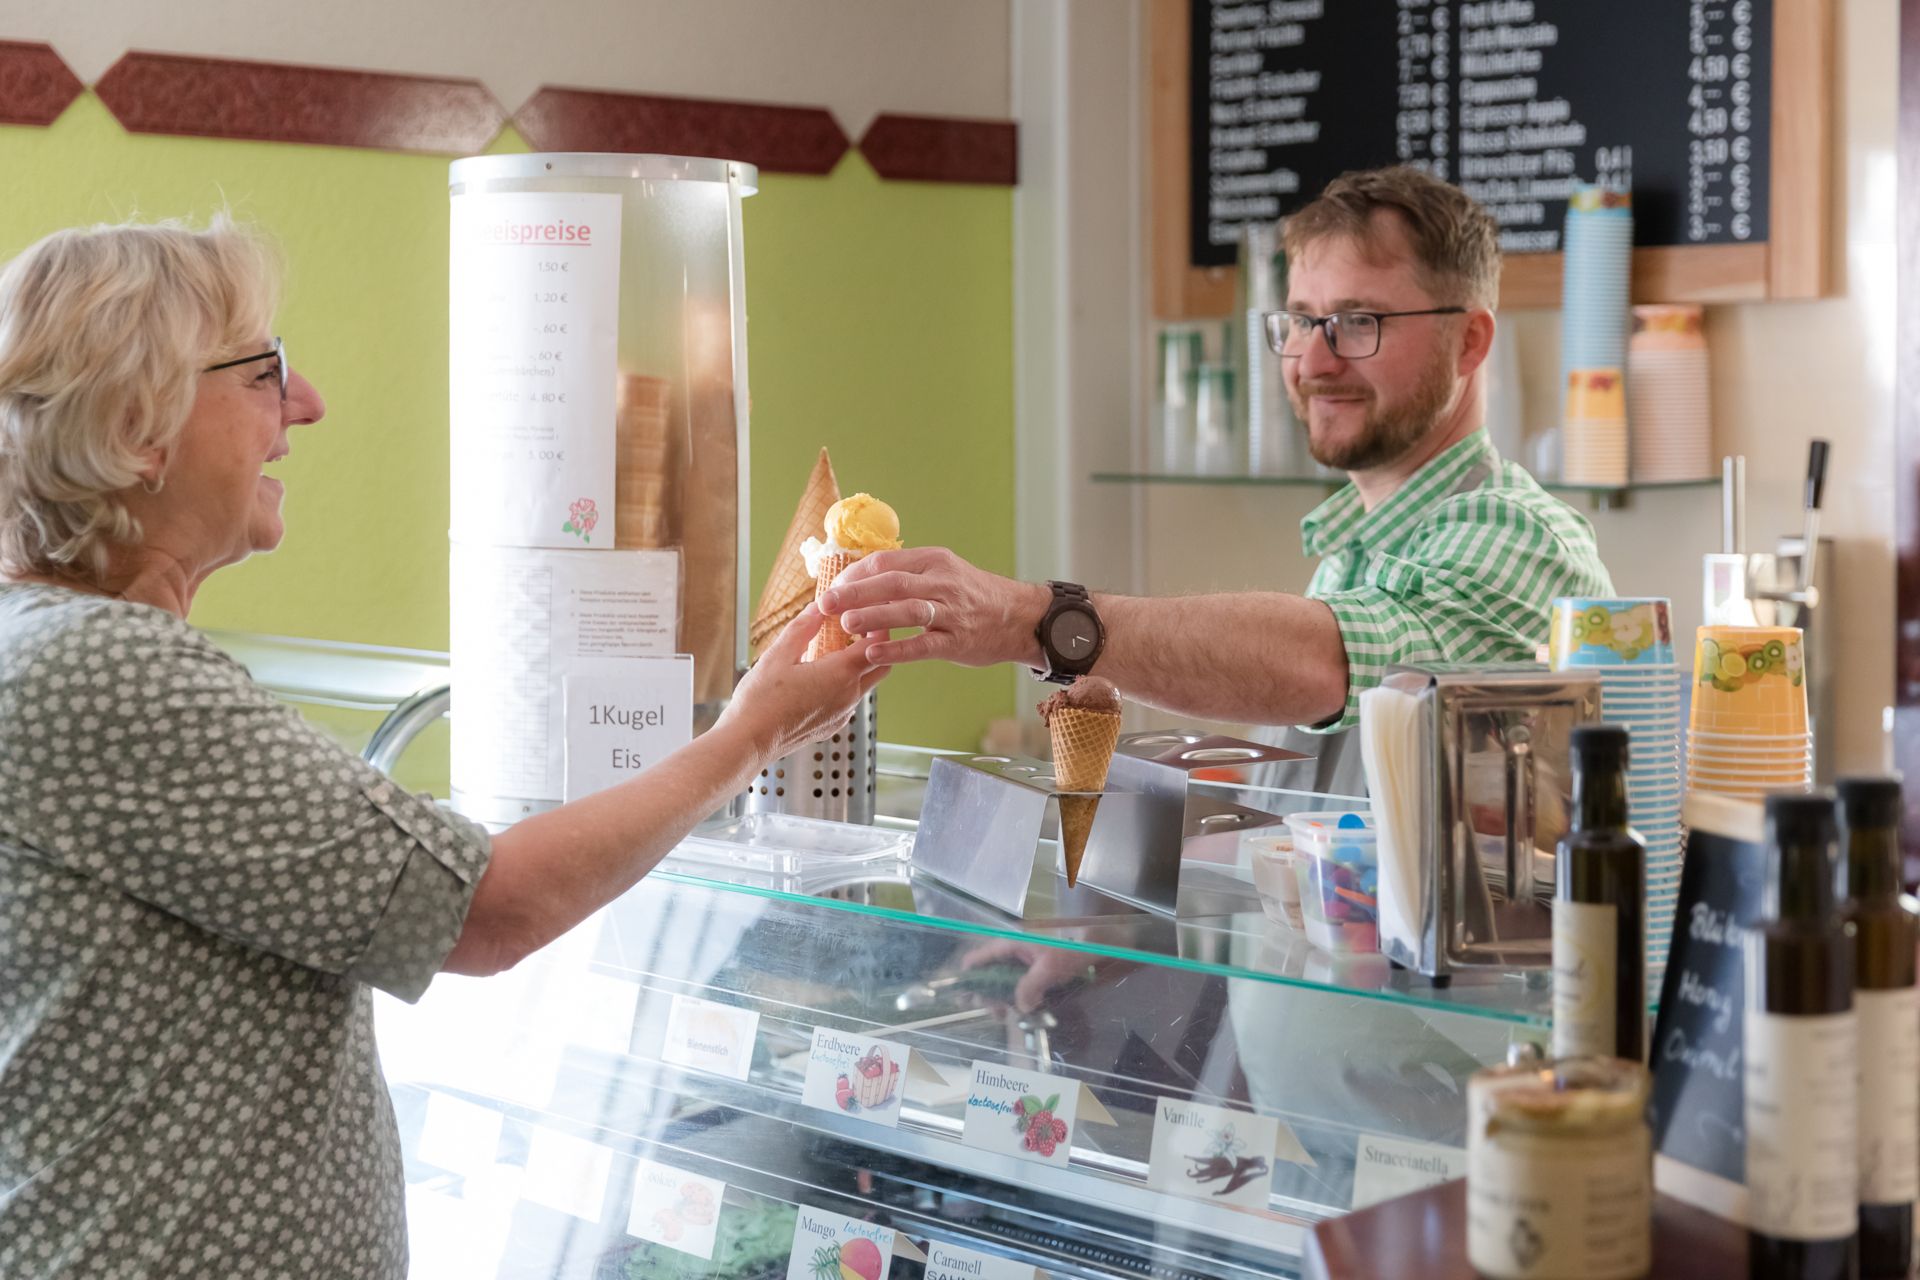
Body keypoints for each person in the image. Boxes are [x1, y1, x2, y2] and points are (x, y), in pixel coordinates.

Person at [0, 218, 887, 1279]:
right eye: (261, 371)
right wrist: (750, 732)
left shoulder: (56, 645)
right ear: (141, 427)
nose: (307, 403)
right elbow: (487, 908)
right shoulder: (110, 671)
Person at [824, 166, 1613, 790]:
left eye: (1358, 321)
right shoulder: (1361, 550)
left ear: (1471, 342)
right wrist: (1115, 926)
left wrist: (1032, 619)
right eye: (1300, 319)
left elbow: (1327, 665)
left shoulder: (1519, 538)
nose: (1312, 358)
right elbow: (1315, 828)